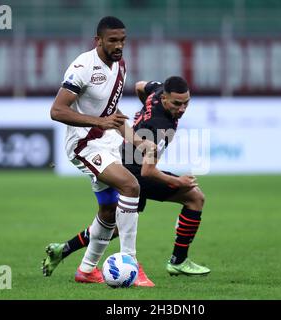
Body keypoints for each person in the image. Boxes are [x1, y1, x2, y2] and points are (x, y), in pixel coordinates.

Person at [42, 76, 210, 280]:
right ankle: (178, 261)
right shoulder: (159, 126)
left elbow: (140, 86)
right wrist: (178, 182)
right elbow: (148, 172)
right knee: (195, 197)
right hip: (136, 172)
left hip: (124, 160)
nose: (182, 109)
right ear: (164, 99)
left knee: (115, 225)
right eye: (177, 104)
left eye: (186, 103)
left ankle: (64, 250)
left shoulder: (156, 90)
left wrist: (143, 114)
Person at [46, 16, 150, 285]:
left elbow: (112, 113)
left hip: (106, 141)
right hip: (84, 144)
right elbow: (57, 110)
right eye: (113, 40)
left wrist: (139, 141)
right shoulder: (82, 67)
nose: (119, 46)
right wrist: (100, 123)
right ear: (98, 40)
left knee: (108, 211)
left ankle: (87, 270)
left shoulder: (121, 67)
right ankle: (131, 264)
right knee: (131, 186)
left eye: (123, 41)